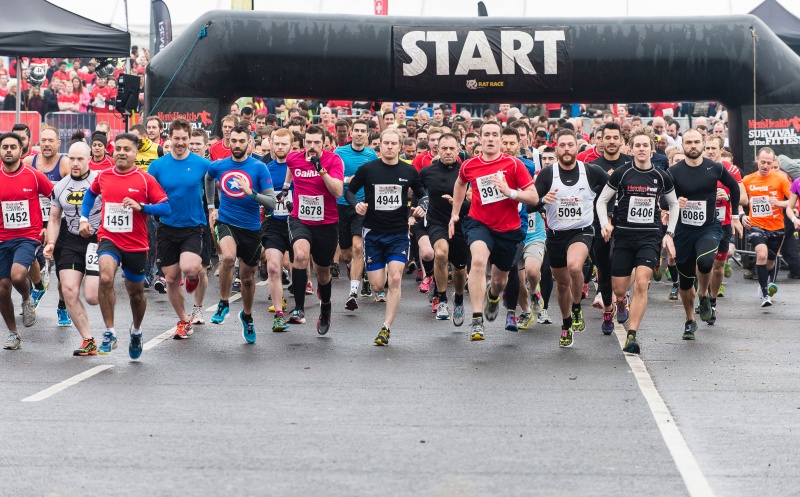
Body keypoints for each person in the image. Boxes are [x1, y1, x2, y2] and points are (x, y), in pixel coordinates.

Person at [79, 133, 171, 359]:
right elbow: (90, 197)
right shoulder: (104, 176)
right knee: (106, 277)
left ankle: (136, 330)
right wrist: (83, 218)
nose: (121, 152)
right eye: (118, 148)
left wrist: (142, 207)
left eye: (126, 149)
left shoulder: (145, 179)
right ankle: (110, 332)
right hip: (109, 238)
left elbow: (166, 208)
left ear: (135, 153)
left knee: (136, 294)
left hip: (136, 244)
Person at [449, 122, 539, 341]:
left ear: (500, 139)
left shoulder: (514, 165)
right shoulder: (469, 165)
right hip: (479, 223)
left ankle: (493, 295)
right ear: (480, 139)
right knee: (478, 261)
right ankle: (477, 320)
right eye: (486, 134)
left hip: (508, 229)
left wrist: (510, 192)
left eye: (494, 135)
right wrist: (455, 213)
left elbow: (534, 197)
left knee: (500, 282)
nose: (490, 138)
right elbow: (460, 184)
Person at [596, 128, 679, 354]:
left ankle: (632, 335)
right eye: (637, 146)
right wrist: (605, 223)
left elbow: (674, 204)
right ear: (631, 149)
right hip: (623, 235)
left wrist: (669, 233)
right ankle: (621, 301)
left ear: (652, 149)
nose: (641, 149)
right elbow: (602, 201)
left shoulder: (662, 176)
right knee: (619, 289)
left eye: (645, 145)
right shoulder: (621, 174)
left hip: (649, 236)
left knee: (642, 283)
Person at [346, 129, 427, 345]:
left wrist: (422, 208)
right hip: (373, 233)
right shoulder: (368, 169)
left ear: (400, 147)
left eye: (394, 143)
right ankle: (368, 277)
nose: (390, 147)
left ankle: (386, 327)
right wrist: (357, 204)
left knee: (396, 278)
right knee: (378, 286)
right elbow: (349, 192)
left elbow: (423, 194)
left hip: (398, 233)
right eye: (386, 143)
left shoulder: (408, 171)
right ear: (379, 145)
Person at [535, 129, 609, 347]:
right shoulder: (548, 174)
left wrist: (607, 214)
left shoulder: (591, 171)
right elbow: (531, 203)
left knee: (575, 267)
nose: (566, 149)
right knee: (561, 283)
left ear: (577, 147)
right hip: (556, 235)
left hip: (582, 231)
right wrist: (542, 201)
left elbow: (612, 189)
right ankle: (566, 323)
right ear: (556, 148)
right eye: (562, 145)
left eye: (570, 145)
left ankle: (577, 306)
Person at [206, 125, 276, 342]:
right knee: (227, 257)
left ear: (249, 143)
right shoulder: (220, 165)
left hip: (252, 228)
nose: (237, 145)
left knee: (247, 278)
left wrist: (251, 193)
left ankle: (247, 316)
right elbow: (208, 178)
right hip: (226, 221)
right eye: (233, 141)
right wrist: (211, 206)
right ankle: (223, 302)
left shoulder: (259, 168)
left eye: (241, 141)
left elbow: (272, 203)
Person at [669, 128, 740, 339]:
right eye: (688, 142)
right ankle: (690, 321)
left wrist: (735, 214)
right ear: (683, 145)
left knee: (707, 262)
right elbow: (663, 197)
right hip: (683, 231)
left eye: (696, 142)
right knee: (685, 279)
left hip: (708, 227)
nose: (693, 146)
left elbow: (734, 188)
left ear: (703, 143)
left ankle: (704, 295)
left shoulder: (715, 168)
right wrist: (674, 202)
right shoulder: (674, 171)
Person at [148, 118, 214, 340]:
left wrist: (214, 208)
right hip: (166, 227)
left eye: (184, 139)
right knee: (171, 280)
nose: (180, 142)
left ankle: (193, 276)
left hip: (193, 226)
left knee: (189, 268)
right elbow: (147, 190)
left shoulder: (201, 163)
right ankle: (184, 320)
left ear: (189, 139)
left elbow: (219, 176)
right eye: (176, 138)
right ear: (169, 138)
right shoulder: (157, 166)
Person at [280, 125, 344, 334]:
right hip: (301, 219)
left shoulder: (333, 161)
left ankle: (325, 306)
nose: (312, 146)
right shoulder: (294, 158)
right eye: (309, 142)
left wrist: (321, 171)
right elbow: (291, 168)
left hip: (326, 224)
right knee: (299, 255)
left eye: (317, 142)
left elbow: (337, 192)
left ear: (324, 143)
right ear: (304, 141)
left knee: (322, 273)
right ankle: (299, 309)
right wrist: (286, 187)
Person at [42, 142, 103, 355]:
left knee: (93, 296)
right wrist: (50, 242)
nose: (75, 163)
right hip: (72, 240)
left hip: (97, 240)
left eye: (80, 159)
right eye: (72, 159)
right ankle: (88, 340)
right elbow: (55, 219)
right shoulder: (60, 187)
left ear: (89, 160)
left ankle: (110, 326)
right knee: (68, 290)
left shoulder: (100, 182)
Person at [0, 133, 54, 350]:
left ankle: (26, 297)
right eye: (5, 147)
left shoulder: (33, 175)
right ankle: (13, 333)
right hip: (3, 238)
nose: (9, 150)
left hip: (28, 236)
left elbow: (55, 198)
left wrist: (48, 226)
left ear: (21, 151)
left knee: (17, 275)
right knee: (2, 289)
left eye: (13, 146)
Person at [420, 133, 469, 325]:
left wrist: (457, 203)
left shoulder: (466, 172)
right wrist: (416, 208)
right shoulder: (427, 172)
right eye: (444, 148)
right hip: (437, 223)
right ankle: (441, 299)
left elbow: (475, 202)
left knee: (459, 268)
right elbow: (416, 192)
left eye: (452, 148)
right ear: (437, 150)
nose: (448, 152)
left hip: (461, 223)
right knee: (440, 254)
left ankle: (458, 300)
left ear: (458, 150)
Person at [589, 122, 630, 333]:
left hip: (625, 222)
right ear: (601, 141)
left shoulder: (631, 163)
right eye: (608, 138)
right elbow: (590, 194)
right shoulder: (594, 166)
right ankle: (608, 309)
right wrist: (608, 179)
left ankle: (621, 298)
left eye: (615, 138)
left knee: (618, 261)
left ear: (621, 140)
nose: (612, 141)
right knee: (603, 269)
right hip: (600, 223)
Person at [334, 119, 378, 308]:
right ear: (351, 132)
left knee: (358, 247)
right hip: (341, 205)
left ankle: (353, 293)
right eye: (357, 130)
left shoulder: (372, 154)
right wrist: (347, 179)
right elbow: (332, 176)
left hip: (361, 206)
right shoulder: (339, 152)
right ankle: (358, 269)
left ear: (368, 134)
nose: (359, 134)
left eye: (363, 131)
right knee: (346, 254)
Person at [741, 147, 792, 307]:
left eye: (769, 163)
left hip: (776, 227)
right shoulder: (747, 180)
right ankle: (765, 294)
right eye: (762, 162)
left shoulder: (780, 179)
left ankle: (764, 282)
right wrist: (742, 216)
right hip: (756, 226)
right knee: (761, 255)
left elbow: (793, 201)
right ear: (757, 159)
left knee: (770, 262)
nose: (765, 166)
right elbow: (738, 201)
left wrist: (779, 203)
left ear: (773, 162)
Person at [262, 129, 294, 332]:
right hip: (273, 223)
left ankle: (300, 302)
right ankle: (279, 316)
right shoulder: (264, 168)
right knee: (273, 267)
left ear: (291, 146)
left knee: (297, 264)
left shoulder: (298, 167)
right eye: (277, 144)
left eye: (284, 144)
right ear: (272, 144)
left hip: (296, 223)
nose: (280, 147)